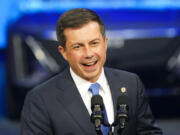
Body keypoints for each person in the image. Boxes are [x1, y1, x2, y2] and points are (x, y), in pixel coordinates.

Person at [21, 8, 163, 135]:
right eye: (78, 46)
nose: (88, 54)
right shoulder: (40, 100)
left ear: (105, 43)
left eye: (94, 43)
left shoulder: (131, 83)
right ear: (63, 52)